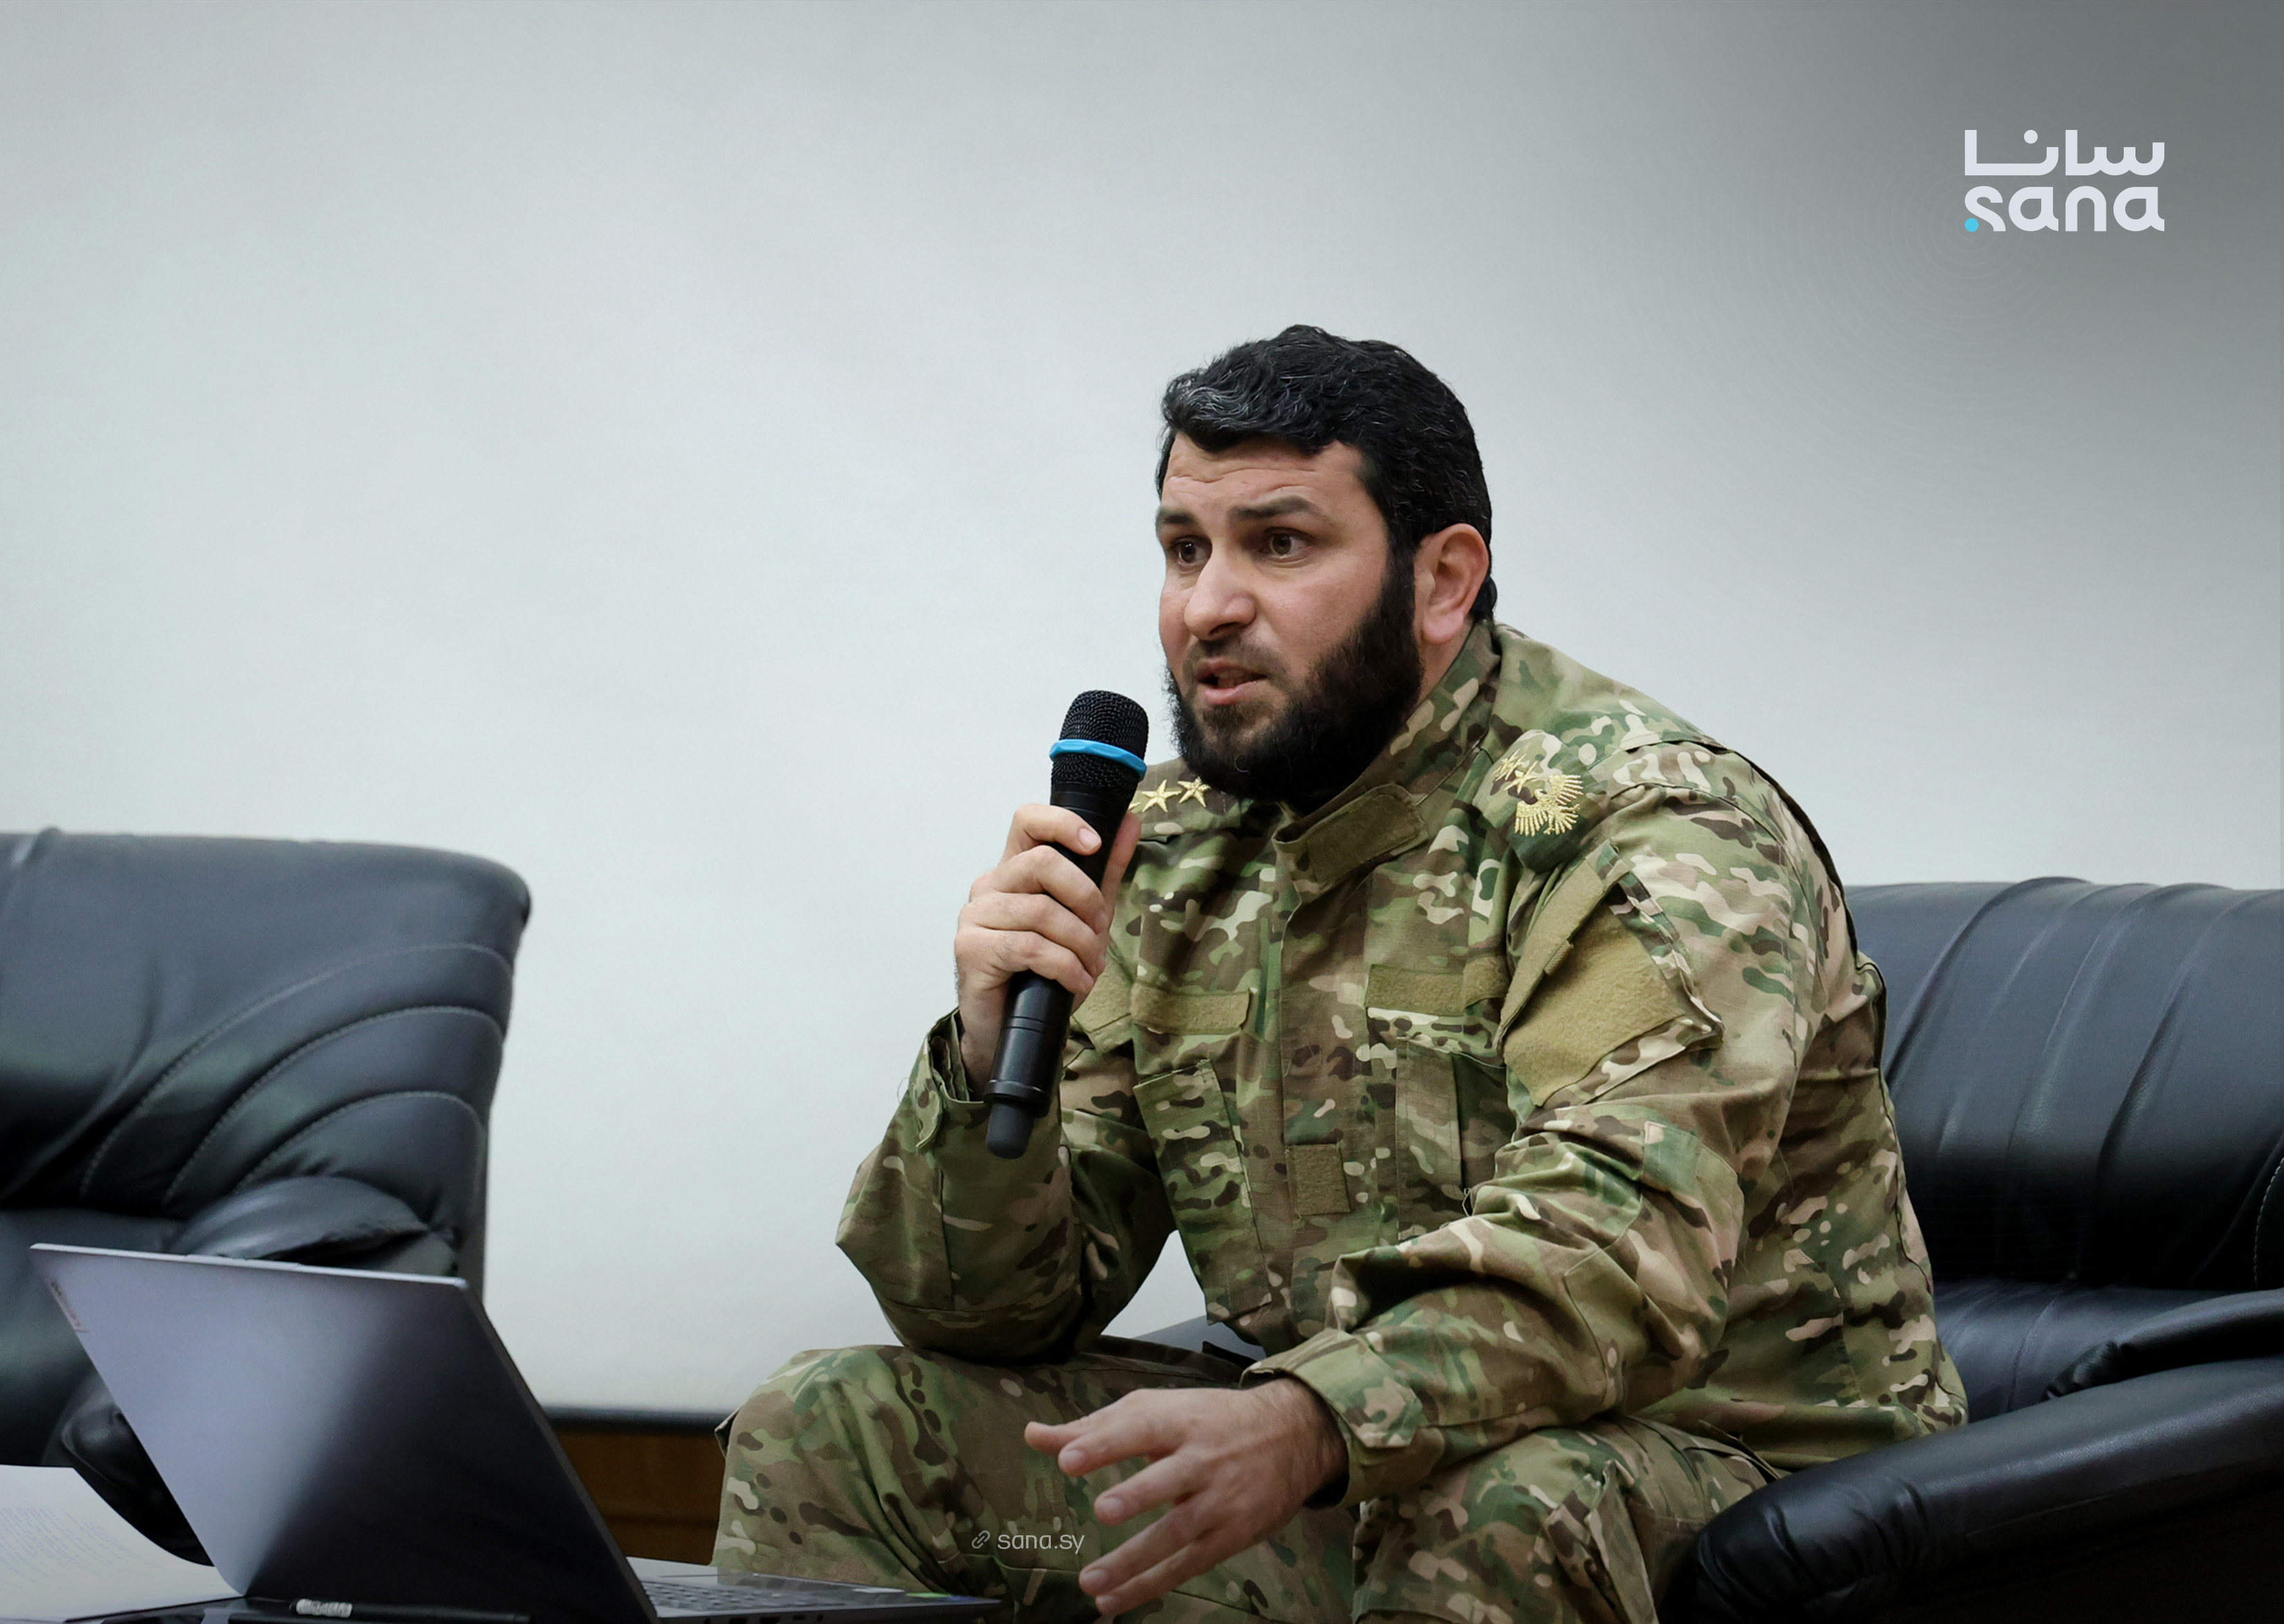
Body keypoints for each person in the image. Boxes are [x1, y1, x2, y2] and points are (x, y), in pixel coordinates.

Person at [713, 326, 1964, 1624]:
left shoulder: (1646, 827)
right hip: (1353, 1460)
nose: (1207, 606)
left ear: (1443, 580)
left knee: (1494, 1507)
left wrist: (1312, 1418)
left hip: (1717, 1475)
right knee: (835, 1427)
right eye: (1184, 549)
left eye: (1279, 544)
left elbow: (1612, 1248)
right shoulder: (1181, 841)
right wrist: (985, 1066)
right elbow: (993, 1313)